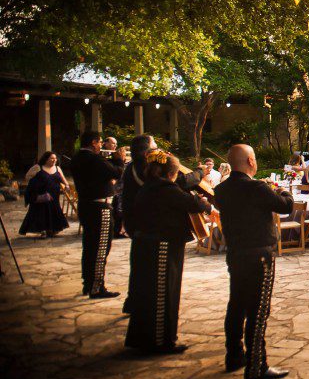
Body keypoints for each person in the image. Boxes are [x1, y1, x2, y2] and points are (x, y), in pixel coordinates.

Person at [214, 144, 293, 379]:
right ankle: (257, 364)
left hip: (236, 254)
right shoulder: (258, 187)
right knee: (258, 311)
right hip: (260, 255)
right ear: (250, 161)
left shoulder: (221, 190)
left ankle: (234, 355)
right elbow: (286, 207)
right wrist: (283, 190)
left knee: (236, 305)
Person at [125, 150, 212, 354]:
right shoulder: (166, 189)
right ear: (173, 173)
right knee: (164, 293)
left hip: (144, 245)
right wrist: (205, 203)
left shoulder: (149, 187)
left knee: (146, 293)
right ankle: (161, 341)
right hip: (162, 247)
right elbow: (195, 204)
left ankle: (142, 338)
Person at [69, 131, 122, 299]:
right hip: (100, 208)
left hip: (86, 205)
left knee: (89, 246)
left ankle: (88, 283)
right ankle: (97, 287)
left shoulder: (77, 158)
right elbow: (117, 172)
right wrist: (119, 158)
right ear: (93, 142)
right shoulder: (93, 159)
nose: (100, 145)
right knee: (101, 248)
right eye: (99, 142)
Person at [20, 151, 70, 238]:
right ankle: (42, 230)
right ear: (46, 159)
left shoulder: (57, 168)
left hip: (54, 194)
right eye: (52, 158)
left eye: (55, 158)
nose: (54, 160)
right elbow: (28, 176)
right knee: (41, 211)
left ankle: (52, 229)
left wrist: (66, 185)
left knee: (53, 210)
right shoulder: (38, 167)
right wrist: (36, 184)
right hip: (42, 194)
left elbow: (63, 179)